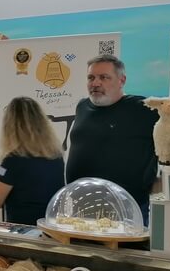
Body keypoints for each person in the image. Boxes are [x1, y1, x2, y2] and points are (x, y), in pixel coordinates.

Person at [66, 55, 158, 225]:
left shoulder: (144, 108)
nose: (95, 83)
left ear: (122, 80)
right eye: (91, 77)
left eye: (104, 77)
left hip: (127, 210)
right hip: (81, 206)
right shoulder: (82, 106)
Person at [0, 97, 65, 224]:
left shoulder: (13, 161)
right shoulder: (56, 156)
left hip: (23, 231)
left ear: (10, 126)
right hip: (50, 228)